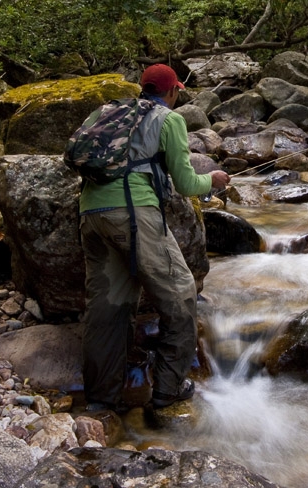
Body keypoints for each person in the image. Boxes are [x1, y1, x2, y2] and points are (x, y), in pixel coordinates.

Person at [79, 63, 230, 411]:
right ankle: (169, 387)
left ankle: (102, 400)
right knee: (180, 293)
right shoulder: (170, 120)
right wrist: (215, 181)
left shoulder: (107, 111)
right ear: (172, 91)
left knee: (107, 309)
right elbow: (187, 183)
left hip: (90, 214)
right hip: (134, 214)